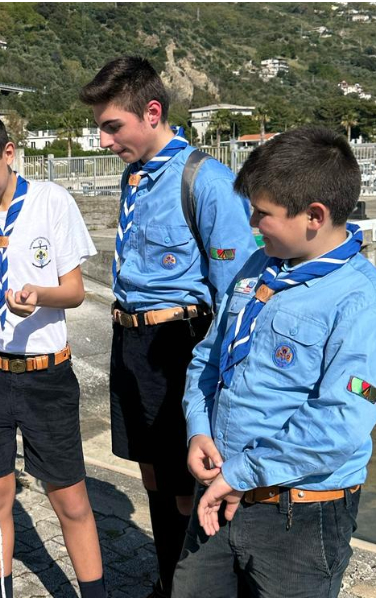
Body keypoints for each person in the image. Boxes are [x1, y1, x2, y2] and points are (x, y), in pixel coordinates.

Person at [173, 126, 376, 597]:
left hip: (298, 514)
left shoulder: (367, 304)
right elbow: (209, 357)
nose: (253, 224)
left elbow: (340, 423)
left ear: (314, 215)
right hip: (220, 488)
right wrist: (198, 427)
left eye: (264, 214)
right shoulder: (257, 267)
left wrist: (243, 475)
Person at [79, 56, 257, 596]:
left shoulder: (207, 181)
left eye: (113, 126)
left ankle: (196, 587)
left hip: (179, 344)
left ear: (151, 113)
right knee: (151, 472)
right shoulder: (134, 176)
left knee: (188, 482)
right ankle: (166, 578)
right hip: (130, 340)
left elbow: (236, 293)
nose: (106, 141)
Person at [0, 107, 106, 598]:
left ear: (8, 154)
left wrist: (39, 294)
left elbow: (75, 291)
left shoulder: (53, 202)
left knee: (70, 499)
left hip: (45, 377)